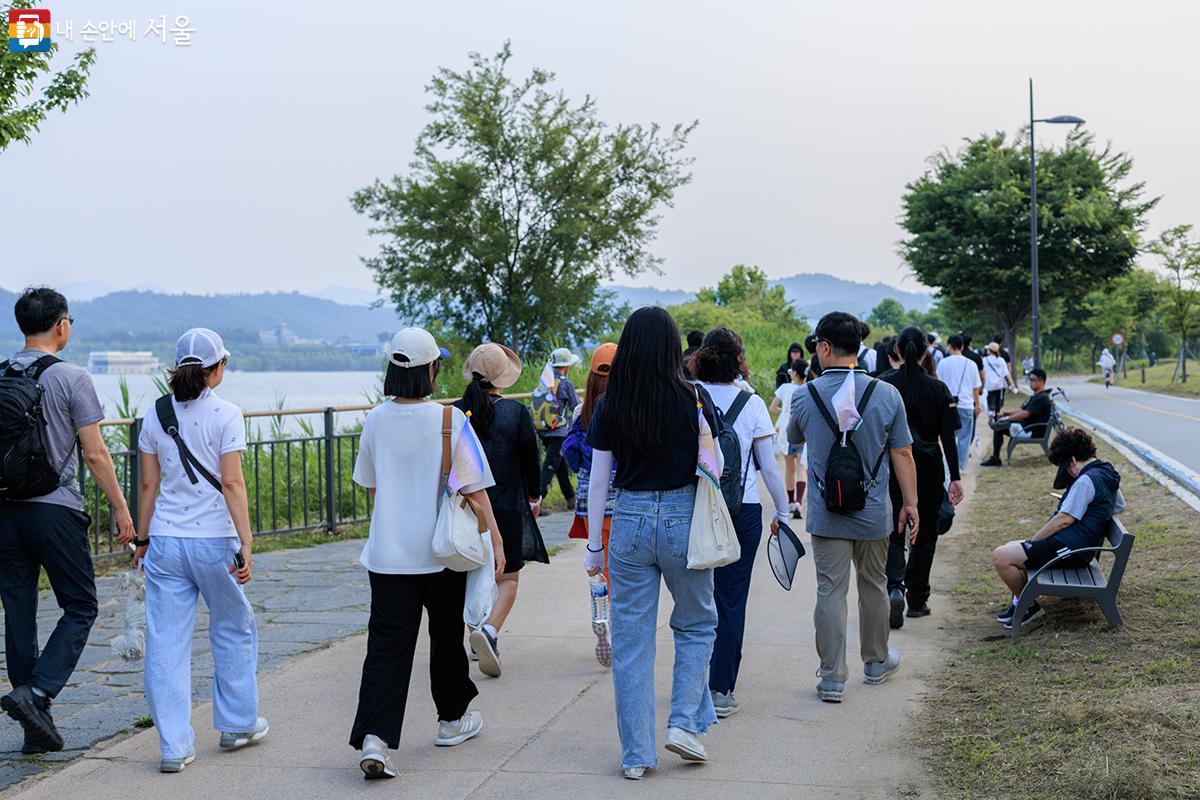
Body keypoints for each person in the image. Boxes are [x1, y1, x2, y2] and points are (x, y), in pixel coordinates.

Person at [348, 328, 504, 780]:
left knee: (386, 648)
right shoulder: (450, 420)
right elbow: (474, 491)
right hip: (441, 554)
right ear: (430, 370)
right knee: (445, 638)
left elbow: (374, 489)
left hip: (387, 556)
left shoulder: (376, 419)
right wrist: (495, 540)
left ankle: (375, 738)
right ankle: (452, 720)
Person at [584, 306, 722, 780]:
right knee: (697, 623)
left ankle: (637, 754)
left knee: (631, 642)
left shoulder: (611, 404)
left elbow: (598, 481)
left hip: (629, 520)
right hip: (684, 518)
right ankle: (683, 723)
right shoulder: (694, 398)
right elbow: (716, 466)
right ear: (672, 346)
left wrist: (593, 547)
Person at [0, 287, 134, 754]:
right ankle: (35, 694)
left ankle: (33, 724)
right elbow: (95, 453)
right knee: (80, 605)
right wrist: (121, 507)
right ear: (60, 325)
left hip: (5, 511)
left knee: (18, 611)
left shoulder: (0, 375)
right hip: (54, 508)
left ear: (23, 326)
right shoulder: (72, 377)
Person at [131, 328, 266, 773]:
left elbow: (148, 483)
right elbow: (232, 483)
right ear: (216, 369)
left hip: (166, 543)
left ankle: (173, 746)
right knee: (233, 626)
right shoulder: (227, 414)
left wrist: (143, 538)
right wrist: (245, 541)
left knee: (166, 642)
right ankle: (237, 723)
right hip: (213, 542)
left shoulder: (154, 413)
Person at [787, 312, 919, 704]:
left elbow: (794, 437)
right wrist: (909, 503)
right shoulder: (886, 394)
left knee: (829, 590)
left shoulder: (804, 396)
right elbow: (903, 452)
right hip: (874, 512)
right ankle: (876, 663)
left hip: (827, 514)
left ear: (824, 348)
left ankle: (831, 678)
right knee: (874, 585)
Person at [690, 328, 791, 718]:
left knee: (696, 598)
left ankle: (692, 681)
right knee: (731, 600)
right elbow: (768, 467)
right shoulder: (752, 404)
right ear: (739, 360)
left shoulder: (688, 396)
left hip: (696, 508)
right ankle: (720, 689)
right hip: (742, 510)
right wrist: (781, 511)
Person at [456, 343, 549, 679]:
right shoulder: (516, 413)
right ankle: (491, 631)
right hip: (508, 507)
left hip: (465, 511)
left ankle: (474, 635)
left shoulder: (453, 412)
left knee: (467, 576)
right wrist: (535, 498)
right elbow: (531, 464)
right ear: (503, 378)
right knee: (507, 577)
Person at [991, 428, 1125, 630]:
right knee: (1012, 547)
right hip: (1080, 549)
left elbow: (1063, 520)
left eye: (1064, 467)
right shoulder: (1106, 472)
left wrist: (1033, 542)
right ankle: (1019, 603)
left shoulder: (1086, 481)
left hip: (1072, 550)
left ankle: (1029, 609)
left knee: (1001, 556)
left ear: (1072, 461)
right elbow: (1119, 505)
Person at [880, 328, 965, 627]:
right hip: (929, 468)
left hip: (891, 468)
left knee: (893, 532)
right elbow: (948, 438)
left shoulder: (882, 386)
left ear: (898, 351)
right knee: (925, 533)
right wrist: (955, 477)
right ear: (927, 352)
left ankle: (893, 587)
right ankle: (917, 599)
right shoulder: (939, 390)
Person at [562, 343, 618, 666]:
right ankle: (611, 626)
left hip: (588, 501)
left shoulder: (580, 409)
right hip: (616, 498)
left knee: (596, 565)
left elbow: (571, 456)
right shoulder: (623, 407)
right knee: (615, 569)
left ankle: (600, 612)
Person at [537, 348, 580, 514]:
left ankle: (570, 498)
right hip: (558, 431)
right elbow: (575, 406)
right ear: (567, 366)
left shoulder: (545, 380)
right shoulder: (565, 382)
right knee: (549, 465)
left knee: (558, 463)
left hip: (544, 429)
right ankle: (536, 501)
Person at [981, 368, 1052, 467]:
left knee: (999, 427)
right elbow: (1022, 410)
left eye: (1033, 379)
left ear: (1041, 381)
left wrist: (1007, 419)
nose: (1030, 382)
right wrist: (1005, 413)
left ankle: (996, 458)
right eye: (1029, 379)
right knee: (1000, 425)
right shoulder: (1038, 396)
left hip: (1030, 431)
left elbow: (1025, 414)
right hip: (1027, 427)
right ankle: (995, 458)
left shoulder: (1042, 398)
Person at [936, 334, 981, 473]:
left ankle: (948, 464)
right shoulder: (971, 364)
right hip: (966, 404)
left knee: (948, 436)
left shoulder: (943, 363)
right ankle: (960, 466)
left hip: (947, 406)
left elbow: (939, 383)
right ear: (962, 347)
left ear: (949, 346)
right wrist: (977, 405)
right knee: (964, 437)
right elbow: (976, 387)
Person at [770, 358, 808, 519]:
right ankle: (799, 502)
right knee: (801, 468)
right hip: (802, 430)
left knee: (789, 469)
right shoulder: (807, 388)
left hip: (786, 432)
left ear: (794, 372)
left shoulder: (785, 388)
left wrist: (783, 411)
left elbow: (772, 408)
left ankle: (791, 502)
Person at [982, 342, 1016, 417]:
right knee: (998, 403)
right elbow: (1007, 374)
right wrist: (1012, 384)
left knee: (989, 401)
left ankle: (990, 412)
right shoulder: (1001, 360)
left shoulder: (984, 360)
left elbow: (982, 373)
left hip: (988, 385)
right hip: (999, 385)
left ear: (989, 350)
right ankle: (997, 415)